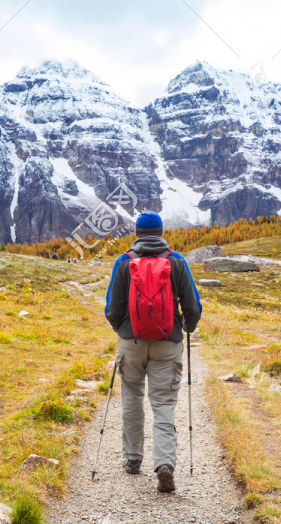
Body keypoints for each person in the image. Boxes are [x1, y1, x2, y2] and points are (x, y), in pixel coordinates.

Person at [104, 211, 201, 493]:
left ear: (137, 234)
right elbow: (192, 306)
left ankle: (133, 459)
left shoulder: (123, 261)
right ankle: (165, 464)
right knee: (164, 403)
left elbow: (112, 308)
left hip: (130, 342)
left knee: (132, 397)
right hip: (167, 342)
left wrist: (123, 330)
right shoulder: (177, 261)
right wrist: (188, 328)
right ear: (161, 232)